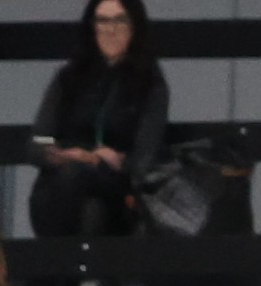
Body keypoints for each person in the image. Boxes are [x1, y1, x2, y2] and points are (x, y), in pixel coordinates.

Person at [27, 0, 172, 239]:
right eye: (102, 20)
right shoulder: (68, 78)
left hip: (116, 188)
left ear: (135, 26)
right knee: (78, 189)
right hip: (60, 186)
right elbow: (36, 145)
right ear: (91, 26)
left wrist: (103, 162)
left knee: (91, 205)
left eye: (120, 20)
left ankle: (53, 270)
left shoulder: (150, 84)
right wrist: (68, 155)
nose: (110, 29)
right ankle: (67, 270)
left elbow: (143, 160)